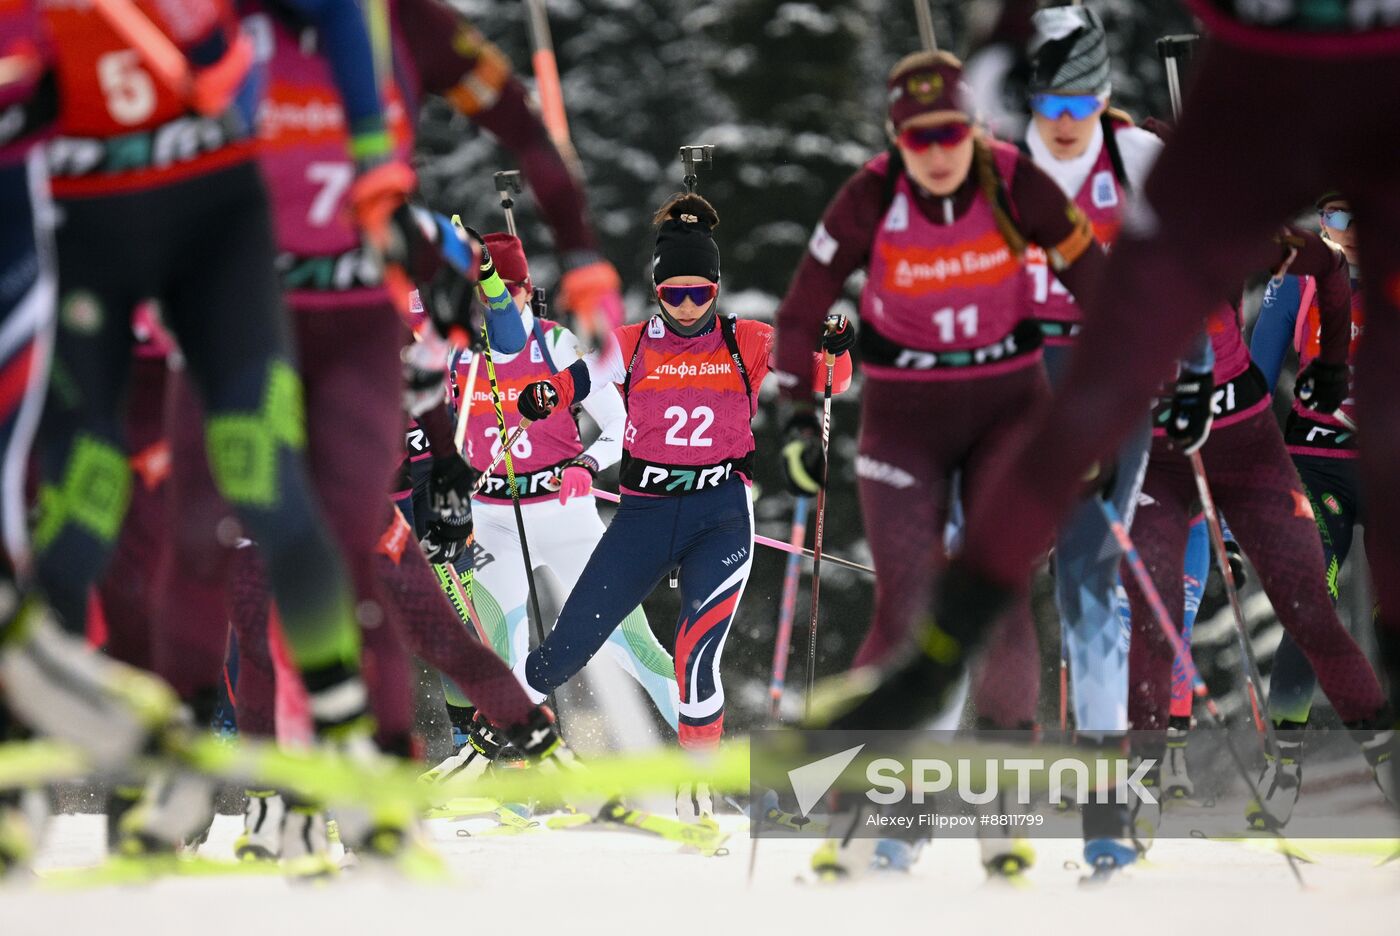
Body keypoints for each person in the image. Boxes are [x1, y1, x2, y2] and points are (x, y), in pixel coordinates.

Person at [826, 6, 1400, 818]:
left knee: (1309, 604)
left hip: (1240, 441)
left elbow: (1320, 264)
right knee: (1137, 607)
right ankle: (1115, 789)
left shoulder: (1184, 190)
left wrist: (1329, 365)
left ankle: (1383, 768)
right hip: (1140, 442)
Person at [771, 48, 1104, 877]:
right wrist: (788, 418)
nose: (937, 150)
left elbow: (1100, 283)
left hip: (1008, 413)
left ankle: (1000, 817)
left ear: (974, 128)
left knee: (998, 602)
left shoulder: (1013, 180)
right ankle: (867, 814)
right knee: (903, 611)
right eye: (919, 137)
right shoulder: (869, 195)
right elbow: (802, 309)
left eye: (950, 131)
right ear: (895, 139)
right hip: (902, 422)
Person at [514, 191, 851, 822]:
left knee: (695, 649)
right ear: (658, 290)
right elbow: (569, 384)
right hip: (643, 516)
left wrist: (832, 345)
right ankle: (503, 746)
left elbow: (831, 379)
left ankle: (697, 782)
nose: (689, 306)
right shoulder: (631, 343)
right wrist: (539, 396)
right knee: (565, 649)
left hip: (719, 515)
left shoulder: (746, 339)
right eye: (675, 294)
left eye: (701, 293)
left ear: (717, 289)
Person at [447, 231, 678, 735]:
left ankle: (705, 761)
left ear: (527, 291)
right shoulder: (460, 355)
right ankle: (513, 790)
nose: (495, 302)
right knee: (501, 656)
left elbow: (622, 426)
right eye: (487, 292)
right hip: (492, 522)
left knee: (633, 645)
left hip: (565, 516)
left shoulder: (555, 343)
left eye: (507, 291)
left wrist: (587, 465)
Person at [1243, 193, 1370, 823]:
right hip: (1319, 464)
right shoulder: (1301, 276)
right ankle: (1284, 766)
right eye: (1333, 216)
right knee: (1311, 600)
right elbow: (1256, 373)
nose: (1343, 231)